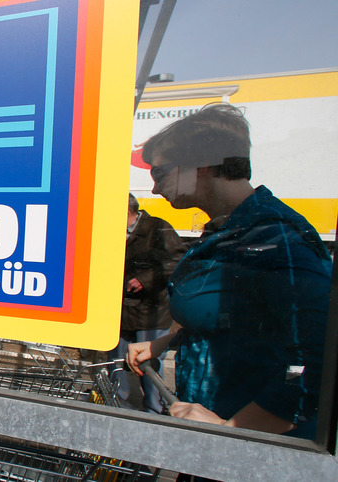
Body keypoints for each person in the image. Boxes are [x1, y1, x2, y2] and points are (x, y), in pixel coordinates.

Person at [126, 103, 331, 439]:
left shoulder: (273, 239)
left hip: (256, 451)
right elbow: (238, 318)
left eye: (160, 173)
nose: (156, 189)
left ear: (202, 166)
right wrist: (166, 340)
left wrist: (234, 428)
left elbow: (312, 360)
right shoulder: (231, 232)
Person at [110, 193, 184, 413]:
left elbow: (179, 259)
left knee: (148, 364)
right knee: (117, 363)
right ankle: (116, 406)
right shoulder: (111, 230)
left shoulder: (157, 228)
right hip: (121, 311)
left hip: (151, 312)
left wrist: (145, 279)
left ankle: (154, 411)